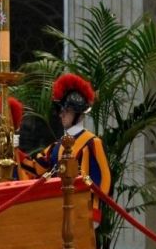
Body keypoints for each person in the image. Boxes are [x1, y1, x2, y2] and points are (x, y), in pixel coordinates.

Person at [22, 73, 111, 223]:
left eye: (66, 110)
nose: (61, 115)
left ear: (78, 113)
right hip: (57, 211)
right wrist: (13, 152)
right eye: (61, 110)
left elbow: (103, 181)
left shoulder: (92, 143)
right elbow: (36, 168)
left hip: (83, 213)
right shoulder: (56, 147)